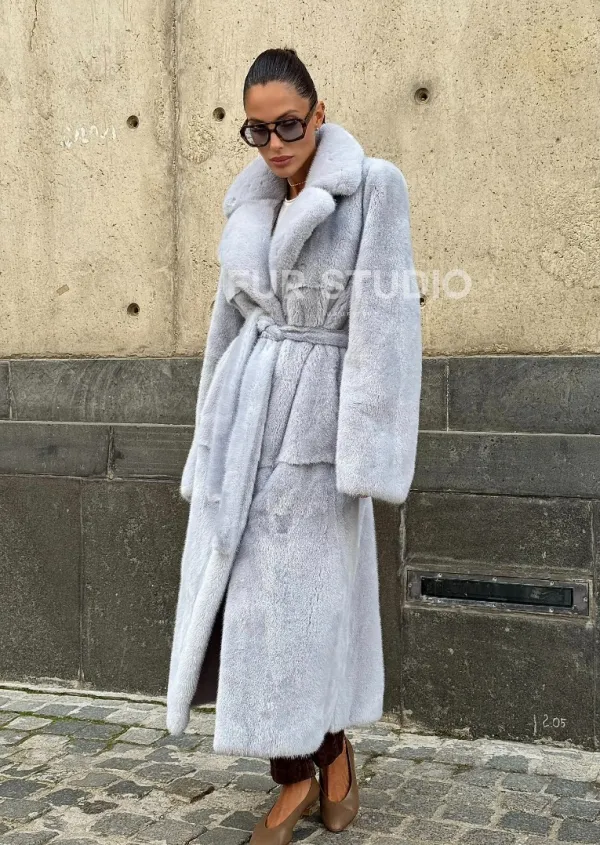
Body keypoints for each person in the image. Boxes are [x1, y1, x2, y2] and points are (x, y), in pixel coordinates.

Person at [166, 46, 422, 843]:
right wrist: (208, 445)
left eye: (288, 124)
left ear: (318, 113)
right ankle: (296, 771)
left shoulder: (372, 186)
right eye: (258, 129)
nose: (274, 143)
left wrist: (366, 456)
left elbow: (387, 325)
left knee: (307, 615)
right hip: (244, 426)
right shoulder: (247, 206)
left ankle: (330, 754)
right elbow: (224, 333)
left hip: (318, 432)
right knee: (250, 614)